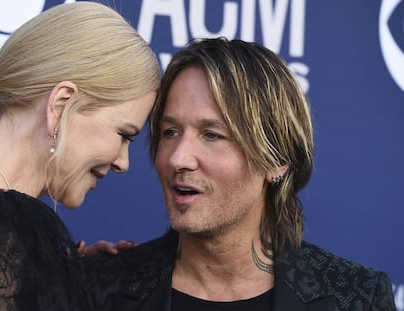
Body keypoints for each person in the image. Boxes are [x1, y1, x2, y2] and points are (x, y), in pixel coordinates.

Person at [83, 37, 396, 310]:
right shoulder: (99, 289)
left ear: (276, 160)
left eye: (212, 135)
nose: (179, 158)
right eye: (171, 132)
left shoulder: (354, 298)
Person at [0, 2, 160, 310]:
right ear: (61, 105)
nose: (124, 163)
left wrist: (61, 278)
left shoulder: (25, 243)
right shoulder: (15, 228)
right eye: (123, 135)